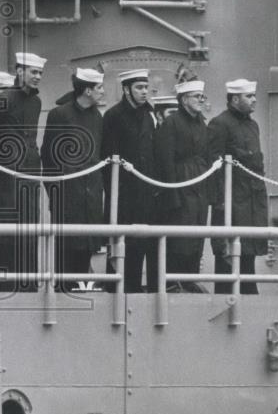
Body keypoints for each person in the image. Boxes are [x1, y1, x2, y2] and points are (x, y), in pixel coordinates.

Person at [0, 52, 46, 291]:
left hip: (30, 171)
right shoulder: (3, 99)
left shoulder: (36, 102)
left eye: (40, 73)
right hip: (7, 173)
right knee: (9, 225)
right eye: (33, 72)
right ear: (20, 72)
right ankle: (7, 282)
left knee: (30, 224)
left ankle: (28, 281)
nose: (37, 77)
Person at [42, 68, 106, 290]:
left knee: (88, 244)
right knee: (67, 247)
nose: (103, 92)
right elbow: (48, 156)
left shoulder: (97, 117)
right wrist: (55, 190)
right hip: (67, 193)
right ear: (87, 90)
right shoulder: (60, 115)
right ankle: (63, 291)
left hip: (91, 193)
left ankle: (82, 287)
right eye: (99, 88)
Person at [101, 69, 160, 293]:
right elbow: (108, 156)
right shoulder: (114, 116)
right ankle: (115, 293)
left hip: (146, 196)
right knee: (120, 250)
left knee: (140, 247)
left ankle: (134, 292)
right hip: (123, 196)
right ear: (126, 90)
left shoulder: (149, 116)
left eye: (146, 87)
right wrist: (115, 192)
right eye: (139, 88)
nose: (144, 92)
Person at [208, 78, 268, 294]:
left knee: (248, 256)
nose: (254, 100)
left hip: (251, 201)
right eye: (249, 96)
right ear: (235, 99)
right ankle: (227, 300)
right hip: (231, 203)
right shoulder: (220, 124)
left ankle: (249, 295)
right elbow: (214, 168)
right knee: (228, 257)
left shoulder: (253, 125)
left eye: (253, 96)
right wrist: (221, 203)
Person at [153, 80, 211, 290]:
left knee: (196, 236)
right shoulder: (172, 123)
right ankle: (173, 282)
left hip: (198, 185)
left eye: (202, 97)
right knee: (179, 239)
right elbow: (165, 160)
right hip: (180, 183)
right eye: (197, 97)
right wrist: (172, 194)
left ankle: (189, 278)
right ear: (184, 99)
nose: (201, 101)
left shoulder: (201, 123)